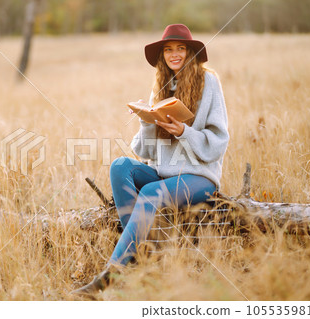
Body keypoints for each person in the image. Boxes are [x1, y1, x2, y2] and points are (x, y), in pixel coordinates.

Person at [72, 24, 229, 296]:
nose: (174, 54)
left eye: (181, 48)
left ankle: (111, 273)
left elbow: (218, 141)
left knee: (151, 192)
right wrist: (146, 121)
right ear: (162, 56)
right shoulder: (162, 86)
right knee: (121, 166)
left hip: (199, 177)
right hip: (165, 174)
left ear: (191, 52)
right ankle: (141, 254)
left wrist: (185, 132)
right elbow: (144, 152)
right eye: (169, 50)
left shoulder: (209, 82)